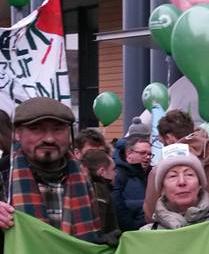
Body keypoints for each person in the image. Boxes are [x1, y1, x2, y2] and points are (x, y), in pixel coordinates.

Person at [0, 97, 104, 243]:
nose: (49, 138)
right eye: (36, 128)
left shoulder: (94, 180)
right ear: (17, 133)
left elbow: (107, 238)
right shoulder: (3, 177)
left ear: (69, 134)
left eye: (57, 129)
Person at [142, 110, 209, 221]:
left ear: (169, 139)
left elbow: (150, 215)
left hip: (175, 236)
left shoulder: (160, 171)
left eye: (161, 142)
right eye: (173, 176)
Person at [114, 120, 153, 231]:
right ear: (129, 154)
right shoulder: (118, 175)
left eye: (150, 154)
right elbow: (116, 203)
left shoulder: (153, 174)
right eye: (143, 153)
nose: (147, 157)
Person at [81, 149, 119, 234]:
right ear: (102, 171)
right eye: (113, 169)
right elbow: (100, 227)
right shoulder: (100, 192)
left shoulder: (84, 188)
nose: (115, 174)